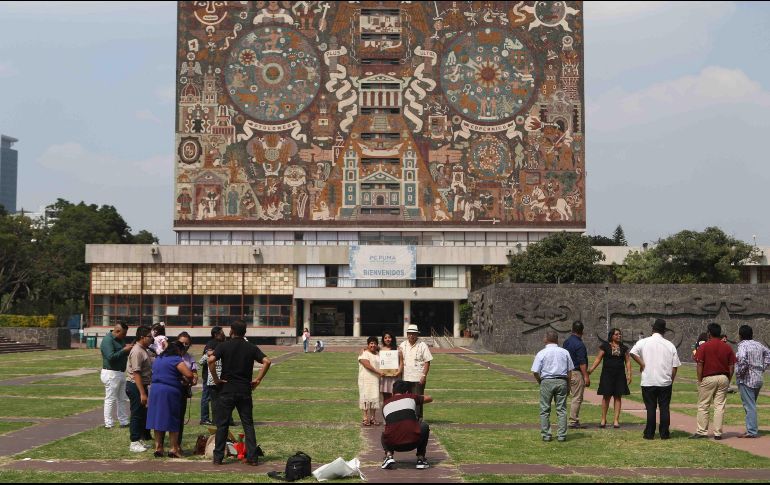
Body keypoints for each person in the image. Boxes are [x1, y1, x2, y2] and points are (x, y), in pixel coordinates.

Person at [208, 321, 272, 465]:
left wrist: (216, 379)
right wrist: (258, 379)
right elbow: (267, 361)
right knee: (248, 424)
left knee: (222, 424)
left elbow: (211, 360)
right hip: (244, 390)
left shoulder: (223, 346)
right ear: (245, 332)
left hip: (227, 389)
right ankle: (252, 457)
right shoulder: (251, 347)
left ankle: (218, 457)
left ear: (231, 331)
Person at [629, 318, 681, 440]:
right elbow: (675, 366)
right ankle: (664, 433)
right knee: (664, 408)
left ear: (653, 329)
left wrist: (642, 363)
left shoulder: (644, 342)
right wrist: (671, 380)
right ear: (664, 331)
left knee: (650, 408)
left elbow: (632, 352)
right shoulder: (670, 345)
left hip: (648, 380)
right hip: (665, 381)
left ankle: (649, 433)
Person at [146, 340, 195, 458]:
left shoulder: (158, 359)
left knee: (158, 419)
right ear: (177, 350)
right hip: (169, 391)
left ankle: (158, 447)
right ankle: (174, 448)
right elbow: (189, 374)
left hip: (155, 390)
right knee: (173, 418)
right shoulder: (175, 359)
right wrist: (186, 379)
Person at [690, 323, 735, 440]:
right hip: (723, 377)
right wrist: (728, 379)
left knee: (704, 405)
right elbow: (731, 366)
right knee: (719, 406)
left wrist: (699, 380)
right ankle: (718, 433)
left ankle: (702, 431)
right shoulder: (727, 347)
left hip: (708, 377)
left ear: (709, 333)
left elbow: (700, 364)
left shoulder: (704, 346)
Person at [531, 330, 574, 442]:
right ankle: (562, 435)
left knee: (545, 409)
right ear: (557, 340)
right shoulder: (565, 352)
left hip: (546, 380)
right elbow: (570, 371)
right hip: (562, 380)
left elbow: (535, 371)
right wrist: (568, 385)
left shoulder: (541, 353)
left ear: (546, 339)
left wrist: (540, 381)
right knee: (561, 409)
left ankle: (546, 434)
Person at [380, 379, 433, 470]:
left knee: (386, 432)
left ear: (393, 392)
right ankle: (420, 459)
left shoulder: (385, 404)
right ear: (407, 392)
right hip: (413, 441)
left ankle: (389, 455)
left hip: (394, 444)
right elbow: (430, 398)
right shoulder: (411, 397)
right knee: (424, 426)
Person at [588, 328, 631, 428]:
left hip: (619, 376)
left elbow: (628, 361)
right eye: (616, 334)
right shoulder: (605, 346)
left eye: (620, 334)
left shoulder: (624, 348)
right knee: (606, 397)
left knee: (618, 397)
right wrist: (591, 369)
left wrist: (629, 374)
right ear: (611, 336)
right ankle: (603, 419)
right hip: (607, 375)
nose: (619, 336)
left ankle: (616, 420)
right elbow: (598, 358)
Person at [735, 324, 770, 438]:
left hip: (747, 380)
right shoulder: (758, 344)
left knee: (749, 406)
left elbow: (742, 360)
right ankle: (750, 428)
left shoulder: (742, 345)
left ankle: (752, 431)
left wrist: (740, 373)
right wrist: (763, 367)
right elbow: (768, 354)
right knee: (751, 404)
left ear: (740, 335)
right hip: (758, 378)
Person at [126, 325, 155, 453]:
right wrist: (142, 393)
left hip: (141, 385)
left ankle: (139, 439)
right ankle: (134, 442)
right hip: (136, 386)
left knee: (142, 414)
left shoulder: (143, 349)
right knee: (136, 414)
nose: (151, 339)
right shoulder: (137, 351)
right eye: (149, 336)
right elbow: (136, 373)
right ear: (142, 337)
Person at [100, 322, 133, 429]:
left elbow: (121, 353)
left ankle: (123, 421)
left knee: (122, 398)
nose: (125, 336)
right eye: (123, 334)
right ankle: (109, 423)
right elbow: (111, 357)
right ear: (117, 331)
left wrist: (128, 349)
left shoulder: (120, 339)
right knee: (110, 398)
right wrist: (124, 350)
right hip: (111, 373)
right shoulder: (107, 340)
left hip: (120, 372)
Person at [398, 324, 433, 420]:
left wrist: (424, 375)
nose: (411, 335)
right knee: (406, 399)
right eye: (409, 333)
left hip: (418, 377)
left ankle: (418, 418)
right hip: (405, 377)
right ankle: (408, 417)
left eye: (413, 333)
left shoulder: (422, 345)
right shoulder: (402, 345)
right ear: (407, 334)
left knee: (418, 398)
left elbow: (427, 361)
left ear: (417, 334)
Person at [562, 322, 589, 429]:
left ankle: (562, 420)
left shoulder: (566, 342)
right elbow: (582, 362)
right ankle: (573, 421)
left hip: (566, 372)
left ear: (572, 329)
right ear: (582, 331)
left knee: (565, 396)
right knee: (577, 397)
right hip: (576, 372)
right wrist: (586, 376)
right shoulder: (580, 344)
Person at [176, 332, 198, 449]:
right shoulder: (171, 355)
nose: (184, 346)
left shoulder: (190, 358)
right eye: (182, 343)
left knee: (180, 418)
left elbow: (195, 375)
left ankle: (177, 444)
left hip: (183, 391)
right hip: (171, 389)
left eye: (187, 344)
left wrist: (193, 379)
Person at [199, 326, 225, 425]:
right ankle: (204, 418)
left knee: (220, 398)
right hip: (209, 375)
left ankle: (220, 418)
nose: (223, 334)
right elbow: (207, 354)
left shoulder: (222, 343)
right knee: (207, 397)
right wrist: (217, 352)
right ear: (216, 334)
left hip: (219, 375)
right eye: (221, 332)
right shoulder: (211, 343)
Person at [358, 336, 385, 427]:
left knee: (374, 398)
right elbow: (367, 365)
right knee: (365, 398)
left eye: (375, 343)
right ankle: (365, 418)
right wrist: (378, 372)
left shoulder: (378, 354)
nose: (373, 345)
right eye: (371, 343)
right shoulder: (364, 353)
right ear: (368, 344)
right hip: (365, 379)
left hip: (376, 379)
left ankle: (373, 418)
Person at [380, 331, 402, 402]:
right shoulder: (380, 349)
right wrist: (363, 349)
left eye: (389, 337)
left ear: (392, 338)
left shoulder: (398, 349)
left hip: (395, 376)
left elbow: (401, 362)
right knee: (385, 397)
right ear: (383, 339)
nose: (387, 339)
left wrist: (399, 372)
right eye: (385, 338)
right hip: (384, 377)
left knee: (395, 396)